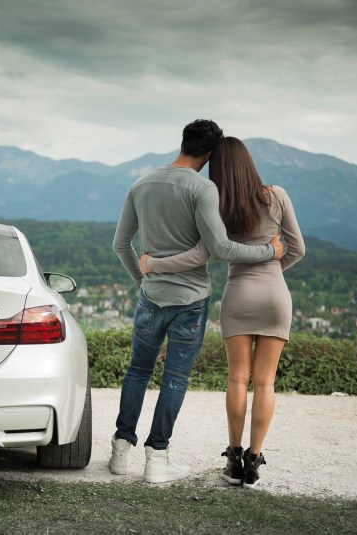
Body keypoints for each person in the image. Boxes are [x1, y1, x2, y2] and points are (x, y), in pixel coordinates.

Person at [109, 120, 285, 484]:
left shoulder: (140, 184)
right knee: (174, 377)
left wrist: (144, 278)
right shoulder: (203, 189)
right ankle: (157, 458)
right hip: (189, 300)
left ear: (184, 142)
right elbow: (220, 248)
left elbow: (120, 244)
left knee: (137, 371)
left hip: (150, 297)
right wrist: (271, 250)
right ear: (209, 153)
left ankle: (120, 450)